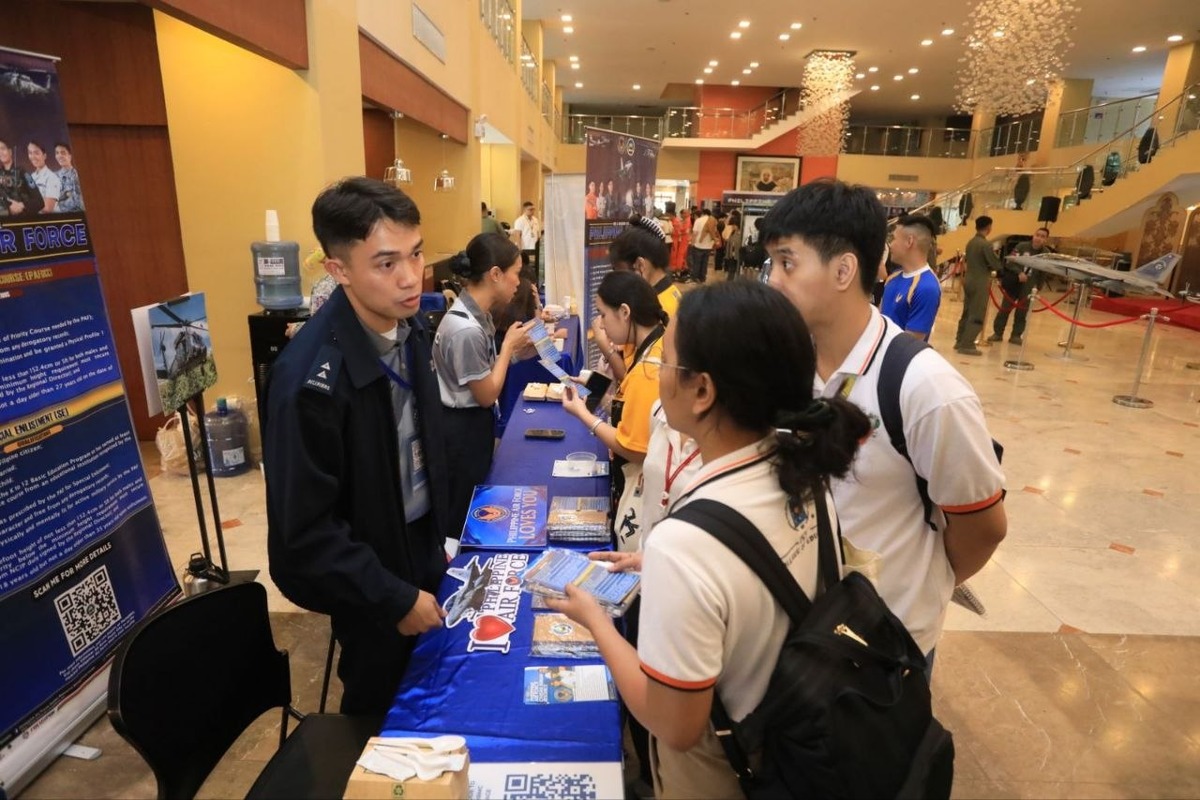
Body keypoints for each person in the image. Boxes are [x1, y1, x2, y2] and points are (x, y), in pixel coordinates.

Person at [549, 280, 871, 799]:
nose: (657, 376)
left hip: (728, 771)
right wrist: (656, 566)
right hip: (796, 735)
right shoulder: (799, 471)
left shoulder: (687, 542)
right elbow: (752, 589)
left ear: (702, 390)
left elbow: (674, 724)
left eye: (665, 365)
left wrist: (595, 621)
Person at [761, 178, 1006, 677]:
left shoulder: (927, 389)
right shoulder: (787, 364)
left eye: (787, 262)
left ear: (844, 269)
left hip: (883, 646)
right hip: (801, 626)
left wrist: (917, 587)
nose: (773, 280)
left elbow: (983, 528)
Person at [265, 177, 451, 718]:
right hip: (369, 579)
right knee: (381, 713)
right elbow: (304, 537)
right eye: (386, 263)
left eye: (416, 255)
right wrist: (391, 597)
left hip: (421, 547)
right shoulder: (308, 382)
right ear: (338, 270)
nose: (411, 278)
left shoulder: (410, 330)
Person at [435, 233, 534, 542]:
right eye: (515, 273)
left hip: (473, 425)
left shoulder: (478, 316)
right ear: (495, 274)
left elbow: (488, 371)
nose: (518, 282)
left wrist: (519, 351)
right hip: (461, 430)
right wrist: (507, 350)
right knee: (462, 515)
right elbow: (486, 393)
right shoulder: (465, 329)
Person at [561, 271, 666, 551]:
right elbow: (629, 408)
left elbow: (632, 448)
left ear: (624, 312)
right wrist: (594, 390)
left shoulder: (648, 369)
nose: (601, 327)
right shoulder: (649, 347)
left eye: (603, 315)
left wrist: (584, 416)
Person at [880, 214, 942, 341]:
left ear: (909, 241)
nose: (890, 245)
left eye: (893, 239)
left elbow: (911, 343)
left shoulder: (926, 287)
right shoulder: (893, 278)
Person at [989, 226, 1052, 345]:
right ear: (1033, 235)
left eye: (1042, 237)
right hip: (1015, 282)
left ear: (1046, 240)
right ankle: (997, 333)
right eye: (1037, 235)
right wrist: (1019, 272)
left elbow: (1044, 272)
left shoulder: (1046, 253)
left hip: (1029, 286)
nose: (1039, 238)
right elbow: (1009, 262)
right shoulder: (1021, 246)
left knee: (1022, 311)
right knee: (1005, 308)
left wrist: (1038, 286)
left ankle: (1016, 335)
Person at [954, 215, 1002, 356]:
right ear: (988, 227)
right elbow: (994, 264)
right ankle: (967, 344)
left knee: (967, 312)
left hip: (968, 279)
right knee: (977, 313)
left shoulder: (971, 242)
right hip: (980, 281)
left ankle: (959, 340)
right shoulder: (985, 244)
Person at [0, 137, 43, 218]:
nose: (0, 152)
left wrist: (22, 205)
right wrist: (8, 210)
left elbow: (39, 202)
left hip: (24, 221)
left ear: (10, 151)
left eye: (3, 148)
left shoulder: (22, 172)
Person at [26, 142, 60, 214]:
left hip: (48, 222)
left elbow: (48, 208)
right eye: (30, 153)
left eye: (36, 153)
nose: (33, 156)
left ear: (44, 156)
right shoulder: (31, 177)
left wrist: (23, 205)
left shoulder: (51, 177)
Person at [512, 201, 541, 277]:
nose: (532, 211)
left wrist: (539, 243)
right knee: (525, 265)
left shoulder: (535, 220)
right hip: (525, 247)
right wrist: (519, 247)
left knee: (535, 265)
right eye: (530, 209)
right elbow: (517, 234)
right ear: (524, 210)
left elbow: (537, 233)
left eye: (533, 209)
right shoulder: (519, 220)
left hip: (534, 246)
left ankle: (534, 278)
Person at [54, 143, 84, 212]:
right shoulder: (53, 177)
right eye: (57, 153)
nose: (59, 156)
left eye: (63, 153)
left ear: (70, 156)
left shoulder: (78, 175)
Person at [688, 208, 717, 283]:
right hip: (708, 246)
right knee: (705, 262)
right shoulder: (713, 221)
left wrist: (692, 243)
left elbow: (695, 233)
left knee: (697, 262)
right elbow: (714, 232)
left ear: (703, 213)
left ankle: (695, 277)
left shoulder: (698, 220)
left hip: (698, 245)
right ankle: (702, 278)